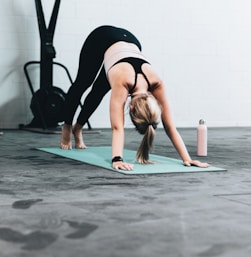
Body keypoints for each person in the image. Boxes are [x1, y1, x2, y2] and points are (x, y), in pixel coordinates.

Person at [60, 25, 209, 171]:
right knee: (83, 83)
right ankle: (67, 127)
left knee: (98, 92)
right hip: (101, 38)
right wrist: (117, 159)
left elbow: (170, 127)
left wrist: (187, 159)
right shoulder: (124, 81)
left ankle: (77, 128)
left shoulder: (157, 83)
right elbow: (117, 127)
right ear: (130, 107)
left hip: (130, 42)